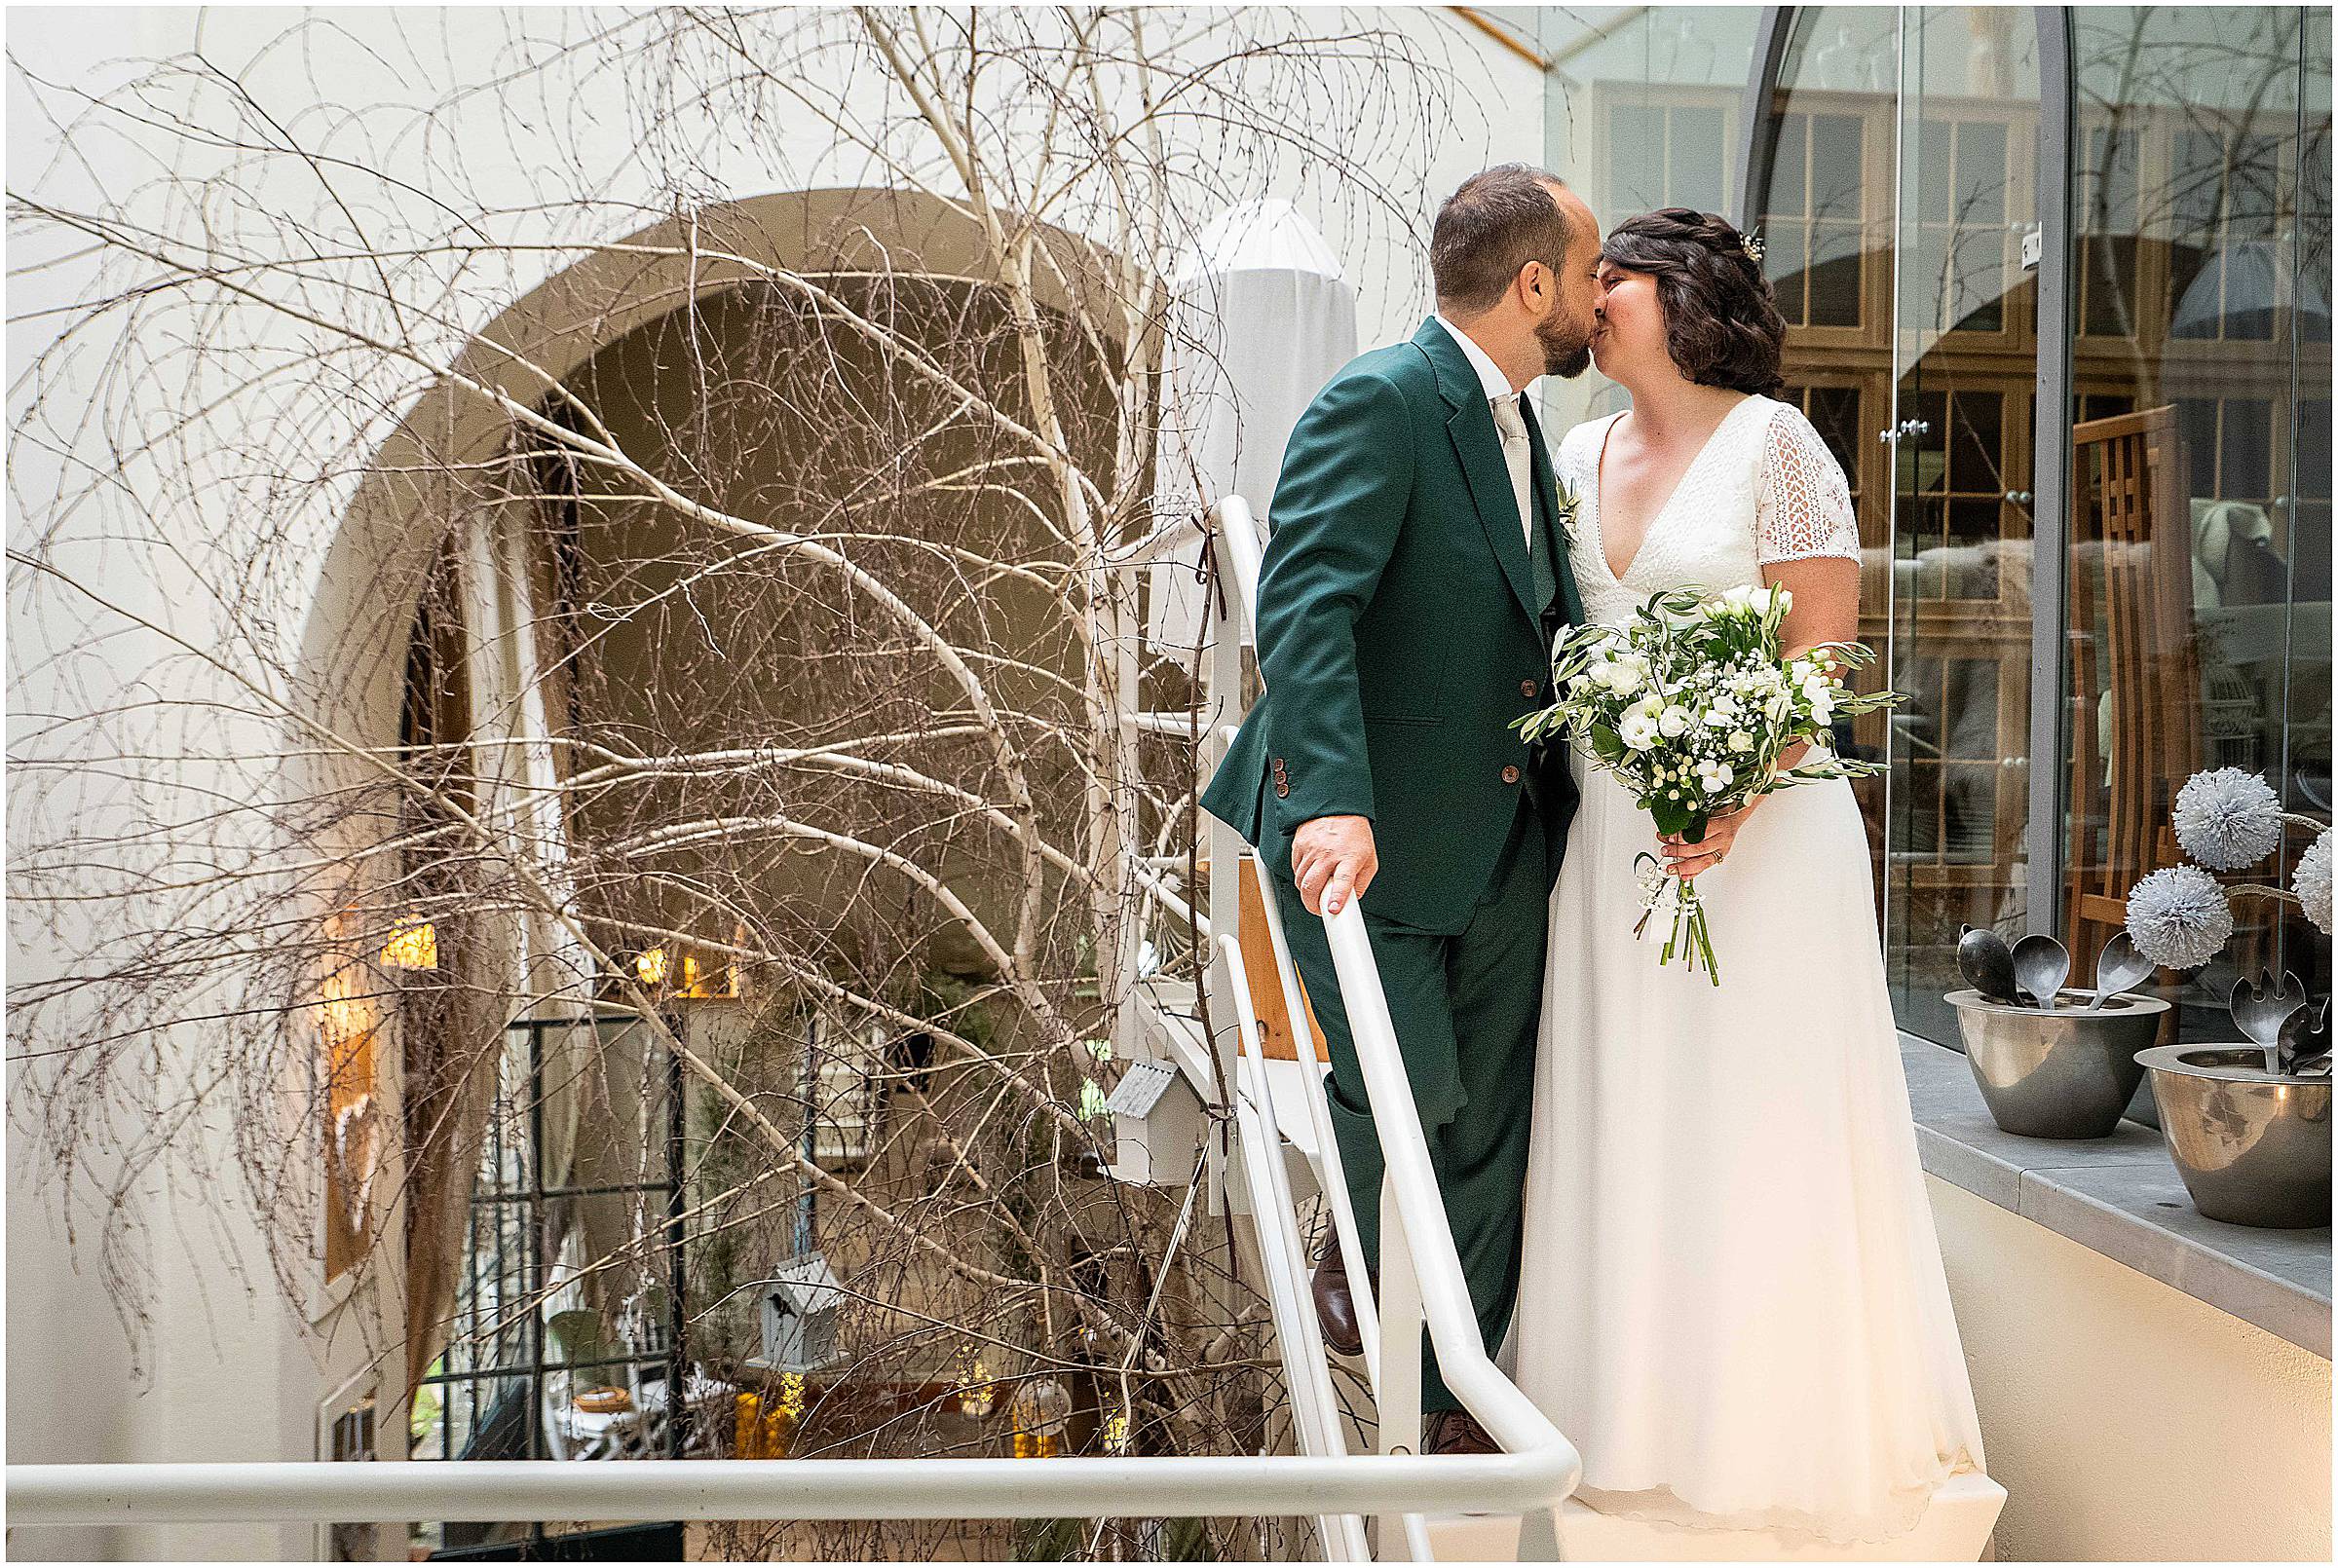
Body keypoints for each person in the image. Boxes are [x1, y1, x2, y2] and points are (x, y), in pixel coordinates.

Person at [1506, 206, 1992, 1543]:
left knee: (1753, 1116)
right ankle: (1635, 1420)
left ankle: (1769, 1430)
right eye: (1588, 274)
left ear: (1683, 294)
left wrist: (1730, 788)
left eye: (1617, 275)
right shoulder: (1576, 450)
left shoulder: (1778, 446)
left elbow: (1821, 658)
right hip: (1612, 840)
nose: (1592, 295)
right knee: (1632, 1107)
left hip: (1765, 840)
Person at [1195, 164, 1602, 1454]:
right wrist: (1328, 803)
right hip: (1359, 834)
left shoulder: (1522, 425)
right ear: (1533, 285)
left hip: (1496, 839)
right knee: (1401, 1092)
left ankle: (1450, 1400)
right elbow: (1302, 606)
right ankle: (1363, 1285)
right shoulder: (1378, 401)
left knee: (1486, 1119)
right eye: (1589, 276)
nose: (1597, 300)